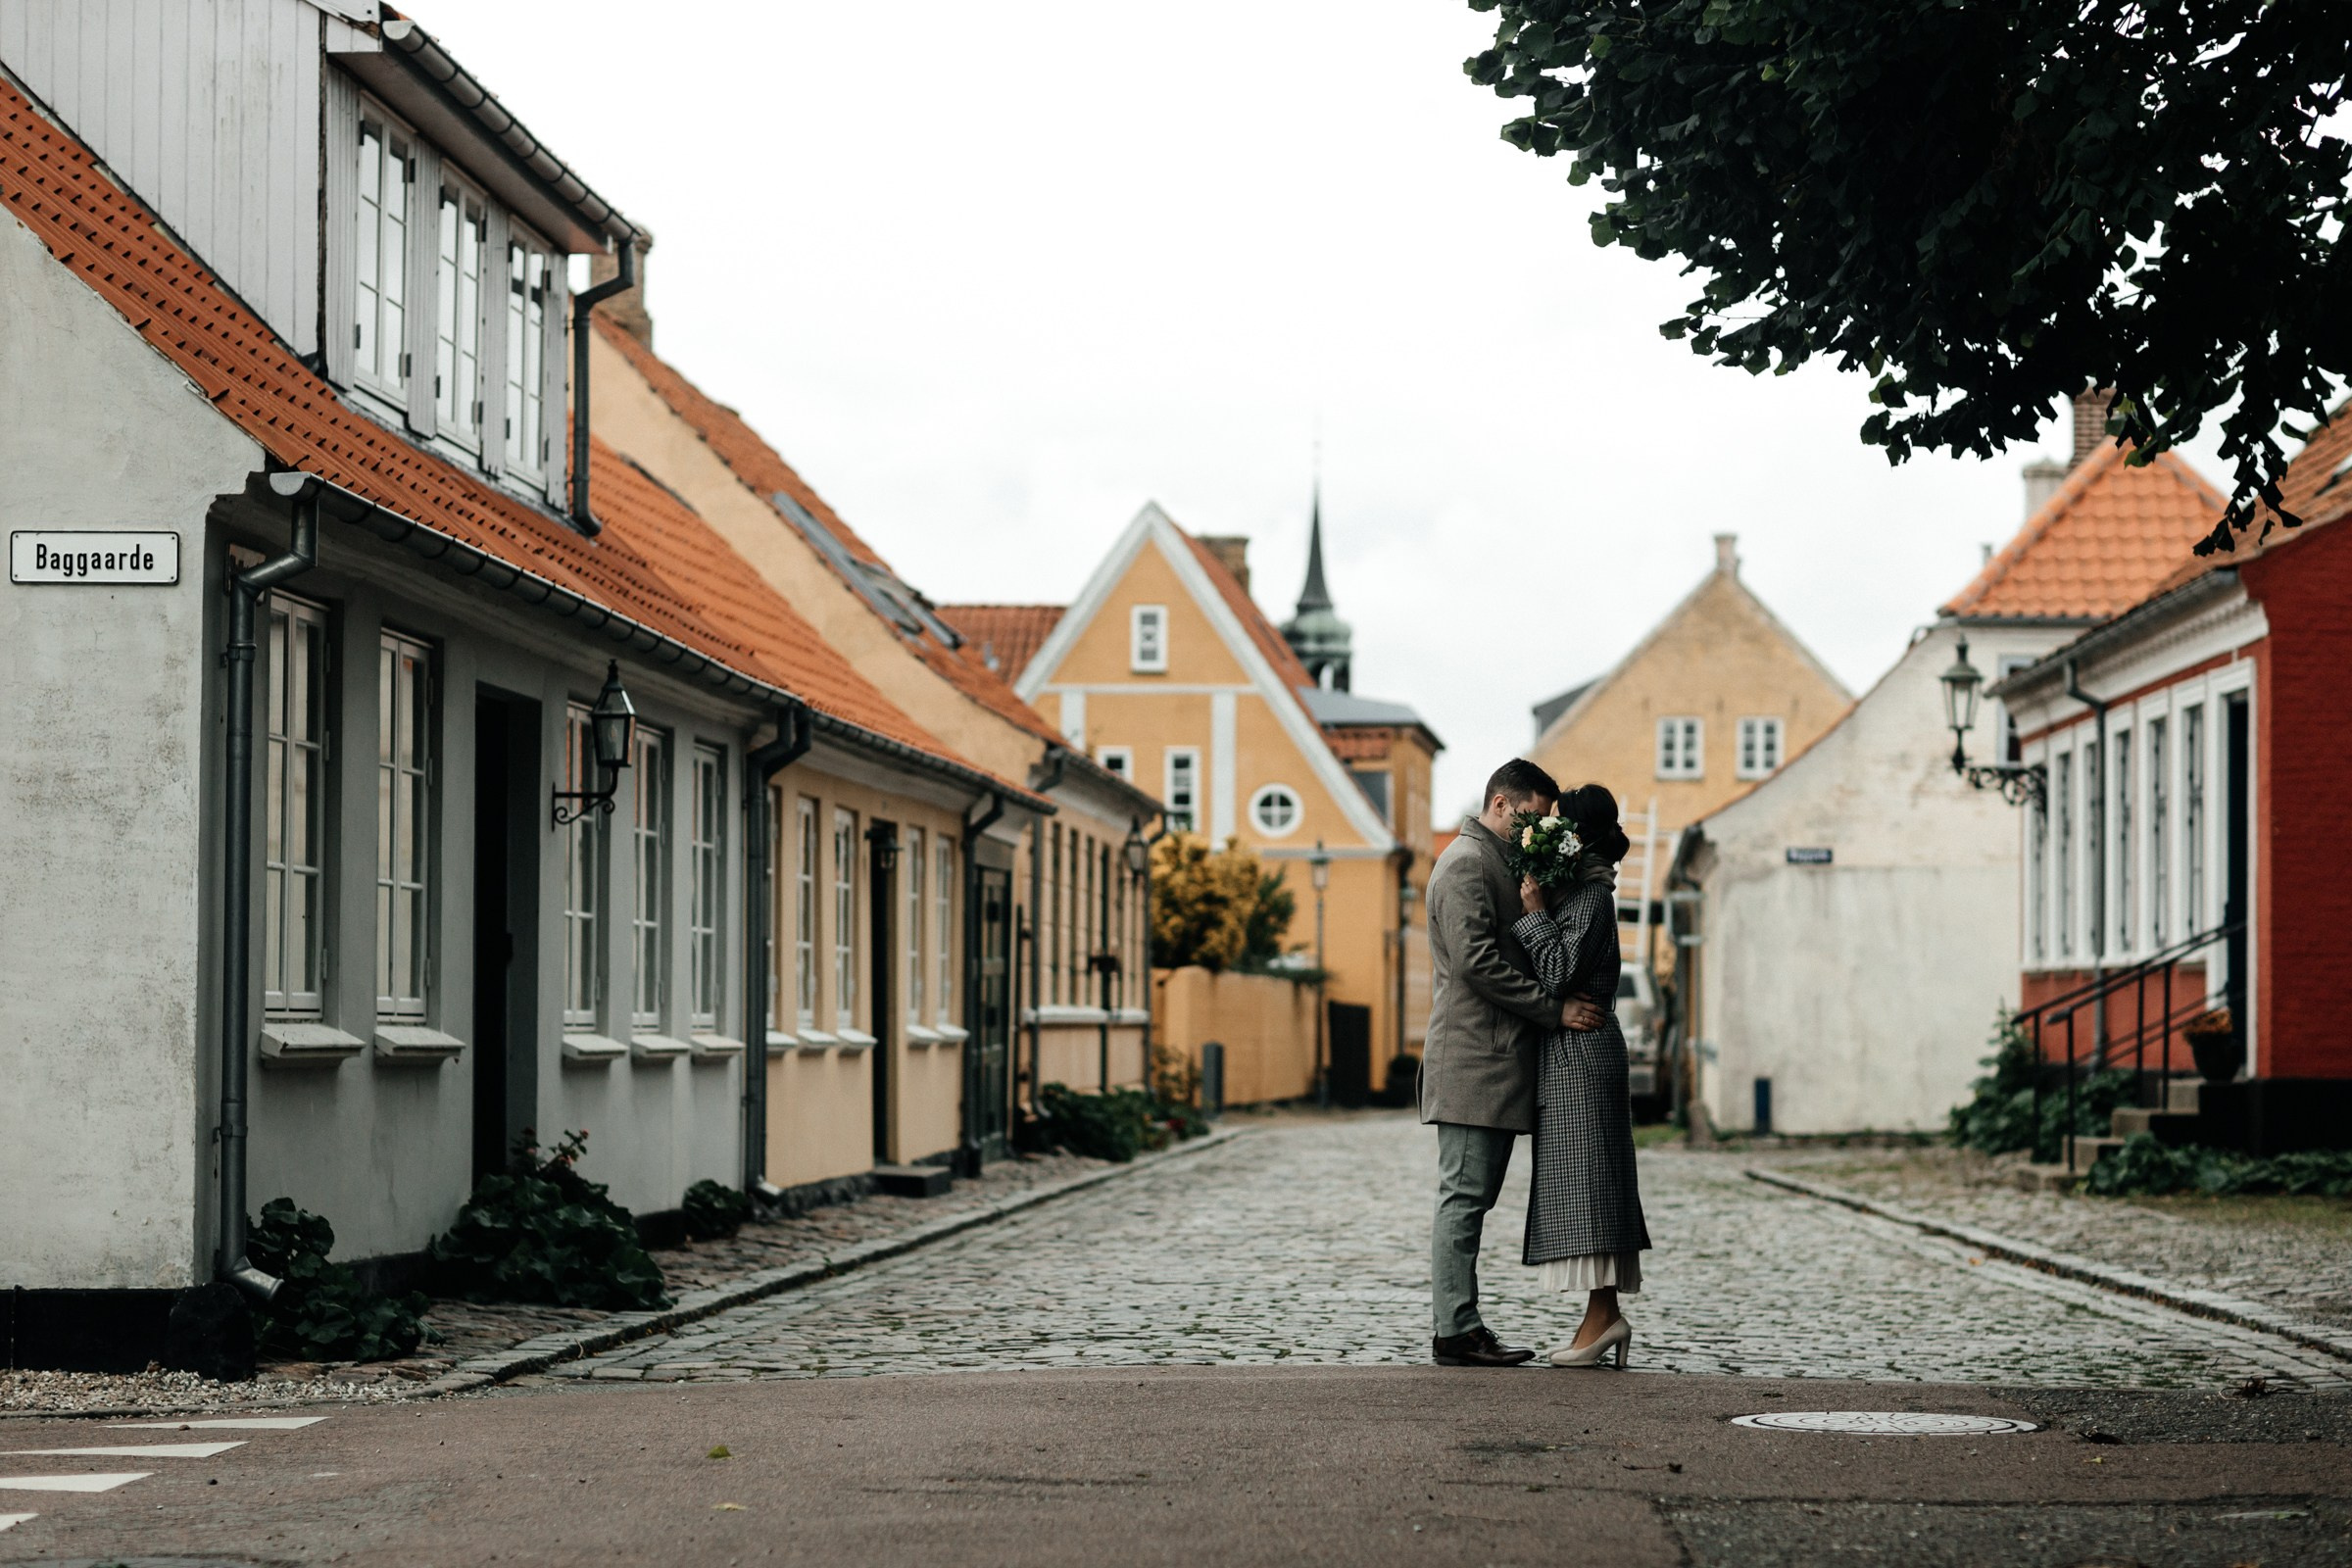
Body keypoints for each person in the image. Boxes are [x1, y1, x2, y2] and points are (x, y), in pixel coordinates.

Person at [1421, 759, 1604, 1367]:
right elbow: (1476, 964)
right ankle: (1456, 1331)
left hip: (1494, 1060)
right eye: (1531, 816)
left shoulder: (1498, 861)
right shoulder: (1467, 863)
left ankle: (1463, 1326)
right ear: (1500, 804)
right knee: (1464, 1197)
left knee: (1473, 1198)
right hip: (1474, 1059)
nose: (1536, 830)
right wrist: (1553, 1010)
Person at [1513, 782, 1652, 1368]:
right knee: (1587, 1182)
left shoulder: (1593, 895)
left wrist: (1534, 915)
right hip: (1576, 1051)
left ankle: (1603, 1317)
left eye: (1558, 822)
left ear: (1579, 833)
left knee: (1591, 1184)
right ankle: (1601, 1316)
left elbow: (1558, 972)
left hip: (1585, 1053)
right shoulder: (1585, 889)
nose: (1552, 831)